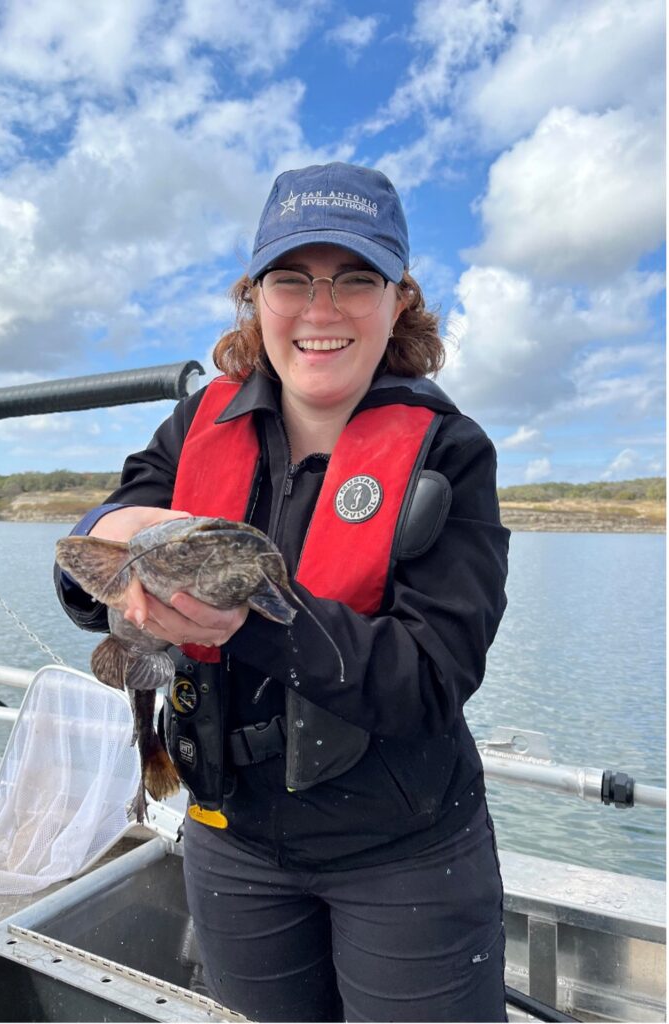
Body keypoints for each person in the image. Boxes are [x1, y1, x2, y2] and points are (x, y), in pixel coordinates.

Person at [56, 161, 510, 1023]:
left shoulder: (451, 451)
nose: (320, 308)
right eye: (291, 279)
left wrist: (245, 623)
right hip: (232, 843)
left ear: (397, 299)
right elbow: (93, 545)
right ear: (254, 295)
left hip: (403, 849)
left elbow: (431, 675)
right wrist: (103, 541)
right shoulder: (196, 423)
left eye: (354, 280)